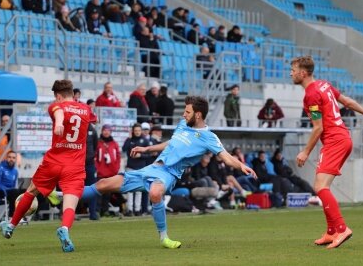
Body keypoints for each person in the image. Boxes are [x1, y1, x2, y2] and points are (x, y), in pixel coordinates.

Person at [81, 96, 257, 248]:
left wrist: (241, 165)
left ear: (197, 115)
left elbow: (226, 157)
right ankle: (62, 195)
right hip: (152, 168)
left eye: (187, 112)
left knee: (155, 192)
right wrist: (147, 149)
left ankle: (164, 237)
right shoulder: (182, 124)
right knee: (103, 184)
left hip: (169, 174)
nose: (183, 114)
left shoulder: (209, 137)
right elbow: (170, 143)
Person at [290, 56, 363, 248]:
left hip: (334, 141)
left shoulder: (311, 94)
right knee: (322, 186)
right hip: (342, 138)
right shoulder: (323, 84)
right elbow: (345, 101)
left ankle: (341, 228)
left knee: (320, 187)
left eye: (293, 69)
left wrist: (305, 152)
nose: (291, 73)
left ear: (303, 73)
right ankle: (331, 232)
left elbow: (318, 128)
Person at [0, 80, 91, 252]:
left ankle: (11, 226)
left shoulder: (56, 107)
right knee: (71, 199)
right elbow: (94, 119)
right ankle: (64, 229)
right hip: (75, 164)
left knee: (31, 191)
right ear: (72, 93)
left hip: (54, 161)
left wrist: (58, 124)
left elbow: (59, 113)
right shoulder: (85, 109)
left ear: (57, 96)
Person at [122, 123, 150, 216]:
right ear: (133, 131)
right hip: (130, 168)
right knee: (130, 189)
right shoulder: (130, 140)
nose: (137, 132)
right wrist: (129, 138)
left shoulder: (145, 140)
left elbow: (149, 154)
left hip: (141, 168)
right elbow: (124, 148)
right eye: (135, 131)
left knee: (139, 190)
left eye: (139, 130)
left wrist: (141, 155)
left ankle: (137, 209)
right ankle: (130, 209)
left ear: (141, 131)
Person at [95, 124, 121, 216]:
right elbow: (95, 156)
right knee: (98, 192)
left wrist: (116, 168)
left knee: (108, 193)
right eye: (104, 130)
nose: (106, 132)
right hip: (100, 172)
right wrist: (97, 168)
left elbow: (118, 157)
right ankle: (97, 210)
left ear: (110, 132)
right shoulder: (98, 143)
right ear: (102, 131)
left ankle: (105, 210)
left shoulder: (114, 144)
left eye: (108, 130)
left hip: (111, 172)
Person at [0, 150, 20, 217]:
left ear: (15, 159)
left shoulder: (15, 171)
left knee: (25, 193)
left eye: (13, 158)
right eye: (9, 157)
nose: (11, 159)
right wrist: (7, 190)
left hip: (9, 193)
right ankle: (12, 217)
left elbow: (13, 186)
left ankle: (22, 216)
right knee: (15, 192)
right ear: (6, 158)